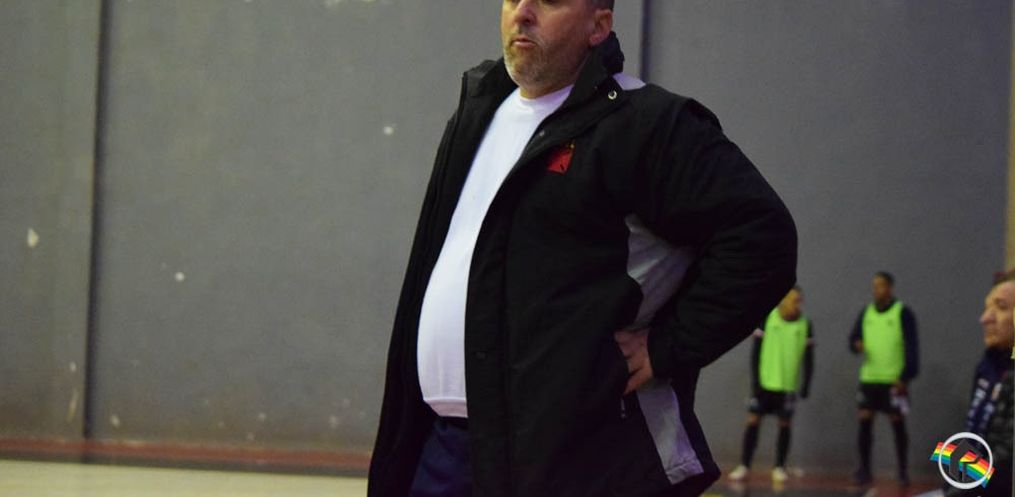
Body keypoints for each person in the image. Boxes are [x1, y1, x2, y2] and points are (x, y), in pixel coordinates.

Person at [367, 1, 797, 496]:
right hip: (445, 449)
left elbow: (762, 236)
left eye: (549, 0)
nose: (523, 11)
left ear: (599, 26)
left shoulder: (646, 124)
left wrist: (668, 345)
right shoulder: (479, 109)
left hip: (568, 461)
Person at [728, 286, 814, 483]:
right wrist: (755, 381)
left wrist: (806, 383)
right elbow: (755, 353)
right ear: (783, 300)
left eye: (799, 300)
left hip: (787, 385)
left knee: (785, 424)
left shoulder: (805, 324)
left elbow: (809, 358)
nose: (797, 304)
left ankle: (779, 467)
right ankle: (744, 465)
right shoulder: (768, 319)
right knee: (753, 421)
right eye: (793, 300)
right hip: (765, 383)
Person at [943, 272, 1015, 497]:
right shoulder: (988, 364)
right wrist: (950, 480)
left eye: (1001, 307)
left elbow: (1006, 460)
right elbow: (972, 433)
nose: (985, 318)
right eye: (986, 308)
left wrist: (957, 490)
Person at [848, 271, 919, 487]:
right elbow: (853, 339)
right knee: (865, 421)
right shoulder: (866, 313)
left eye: (880, 286)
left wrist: (906, 376)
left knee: (897, 424)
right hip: (870, 378)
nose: (876, 290)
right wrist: (856, 344)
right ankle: (864, 469)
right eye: (874, 286)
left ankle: (903, 470)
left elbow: (912, 347)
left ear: (889, 288)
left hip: (893, 380)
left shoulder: (902, 313)